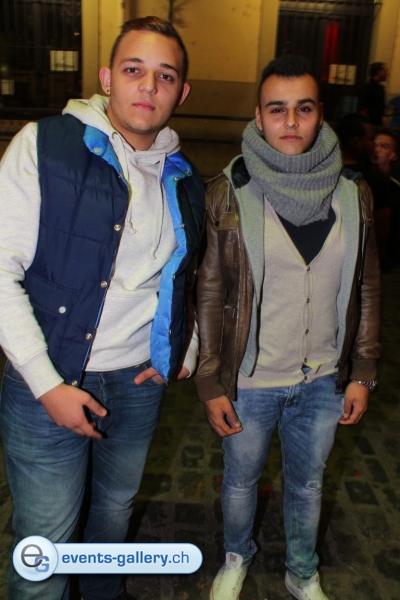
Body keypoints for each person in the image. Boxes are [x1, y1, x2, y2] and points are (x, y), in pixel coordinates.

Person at [0, 16, 204, 600]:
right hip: (52, 380)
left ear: (182, 92)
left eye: (166, 75)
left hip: (137, 384)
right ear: (107, 77)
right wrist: (48, 386)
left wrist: (182, 349)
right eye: (134, 69)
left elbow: (185, 276)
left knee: (114, 511)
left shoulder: (183, 177)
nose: (149, 86)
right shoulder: (45, 146)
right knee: (46, 540)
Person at [194, 55, 380, 600]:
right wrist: (210, 381)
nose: (291, 121)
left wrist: (362, 372)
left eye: (304, 108)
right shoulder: (228, 191)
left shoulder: (353, 193)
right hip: (250, 381)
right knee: (241, 481)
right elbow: (210, 293)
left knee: (308, 483)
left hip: (323, 378)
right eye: (277, 109)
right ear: (258, 116)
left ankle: (303, 573)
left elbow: (368, 287)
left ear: (321, 114)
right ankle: (236, 557)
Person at [370, 128, 400, 267]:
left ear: (394, 155)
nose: (376, 149)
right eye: (374, 144)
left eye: (384, 146)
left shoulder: (395, 189)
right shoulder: (360, 181)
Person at [358, 61, 389, 126]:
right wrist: (367, 124)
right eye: (385, 71)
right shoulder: (367, 87)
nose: (388, 73)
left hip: (377, 125)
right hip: (369, 125)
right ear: (378, 72)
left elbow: (382, 111)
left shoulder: (380, 89)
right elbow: (363, 108)